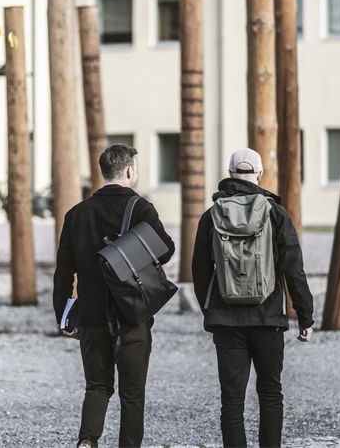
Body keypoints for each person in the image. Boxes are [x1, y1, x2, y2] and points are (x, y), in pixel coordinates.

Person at [53, 143, 176, 448]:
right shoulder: (142, 209)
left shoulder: (76, 214)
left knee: (96, 385)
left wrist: (65, 314)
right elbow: (167, 251)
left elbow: (63, 271)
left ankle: (87, 441)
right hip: (132, 314)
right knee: (132, 394)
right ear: (129, 171)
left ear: (104, 171)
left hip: (91, 316)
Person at [191, 148, 314, 448]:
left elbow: (199, 270)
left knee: (232, 401)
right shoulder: (276, 213)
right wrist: (305, 315)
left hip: (226, 320)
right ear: (259, 174)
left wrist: (211, 309)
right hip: (268, 317)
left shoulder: (211, 216)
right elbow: (294, 268)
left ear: (230, 174)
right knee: (271, 394)